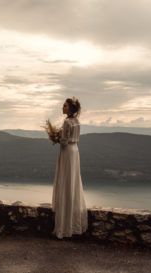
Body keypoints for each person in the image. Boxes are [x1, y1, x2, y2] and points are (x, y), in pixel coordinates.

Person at [52, 97, 88, 239]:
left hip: (67, 152)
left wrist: (56, 138)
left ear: (70, 109)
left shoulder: (67, 122)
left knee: (65, 182)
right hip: (75, 152)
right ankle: (73, 225)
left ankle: (63, 228)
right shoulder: (77, 122)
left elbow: (64, 142)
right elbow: (74, 139)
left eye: (65, 106)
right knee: (72, 183)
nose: (62, 107)